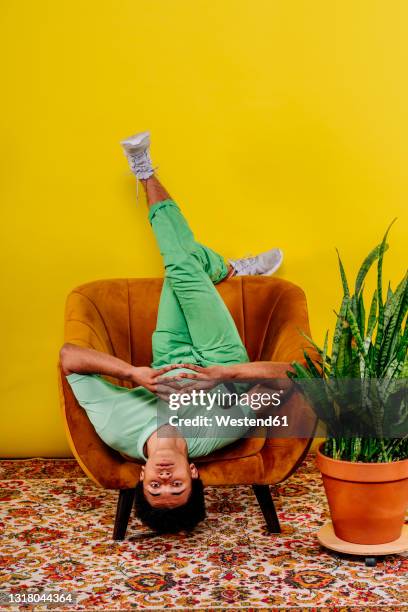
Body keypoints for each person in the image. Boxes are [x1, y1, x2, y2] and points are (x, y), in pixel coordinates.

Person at [60, 130, 289, 534]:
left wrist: (133, 374)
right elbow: (292, 378)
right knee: (181, 267)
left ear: (142, 474)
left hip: (166, 354)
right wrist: (225, 374)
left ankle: (222, 268)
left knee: (182, 265)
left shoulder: (118, 429)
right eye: (176, 485)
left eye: (155, 486)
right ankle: (145, 171)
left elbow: (69, 358)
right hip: (220, 357)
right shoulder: (217, 435)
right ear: (195, 472)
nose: (165, 477)